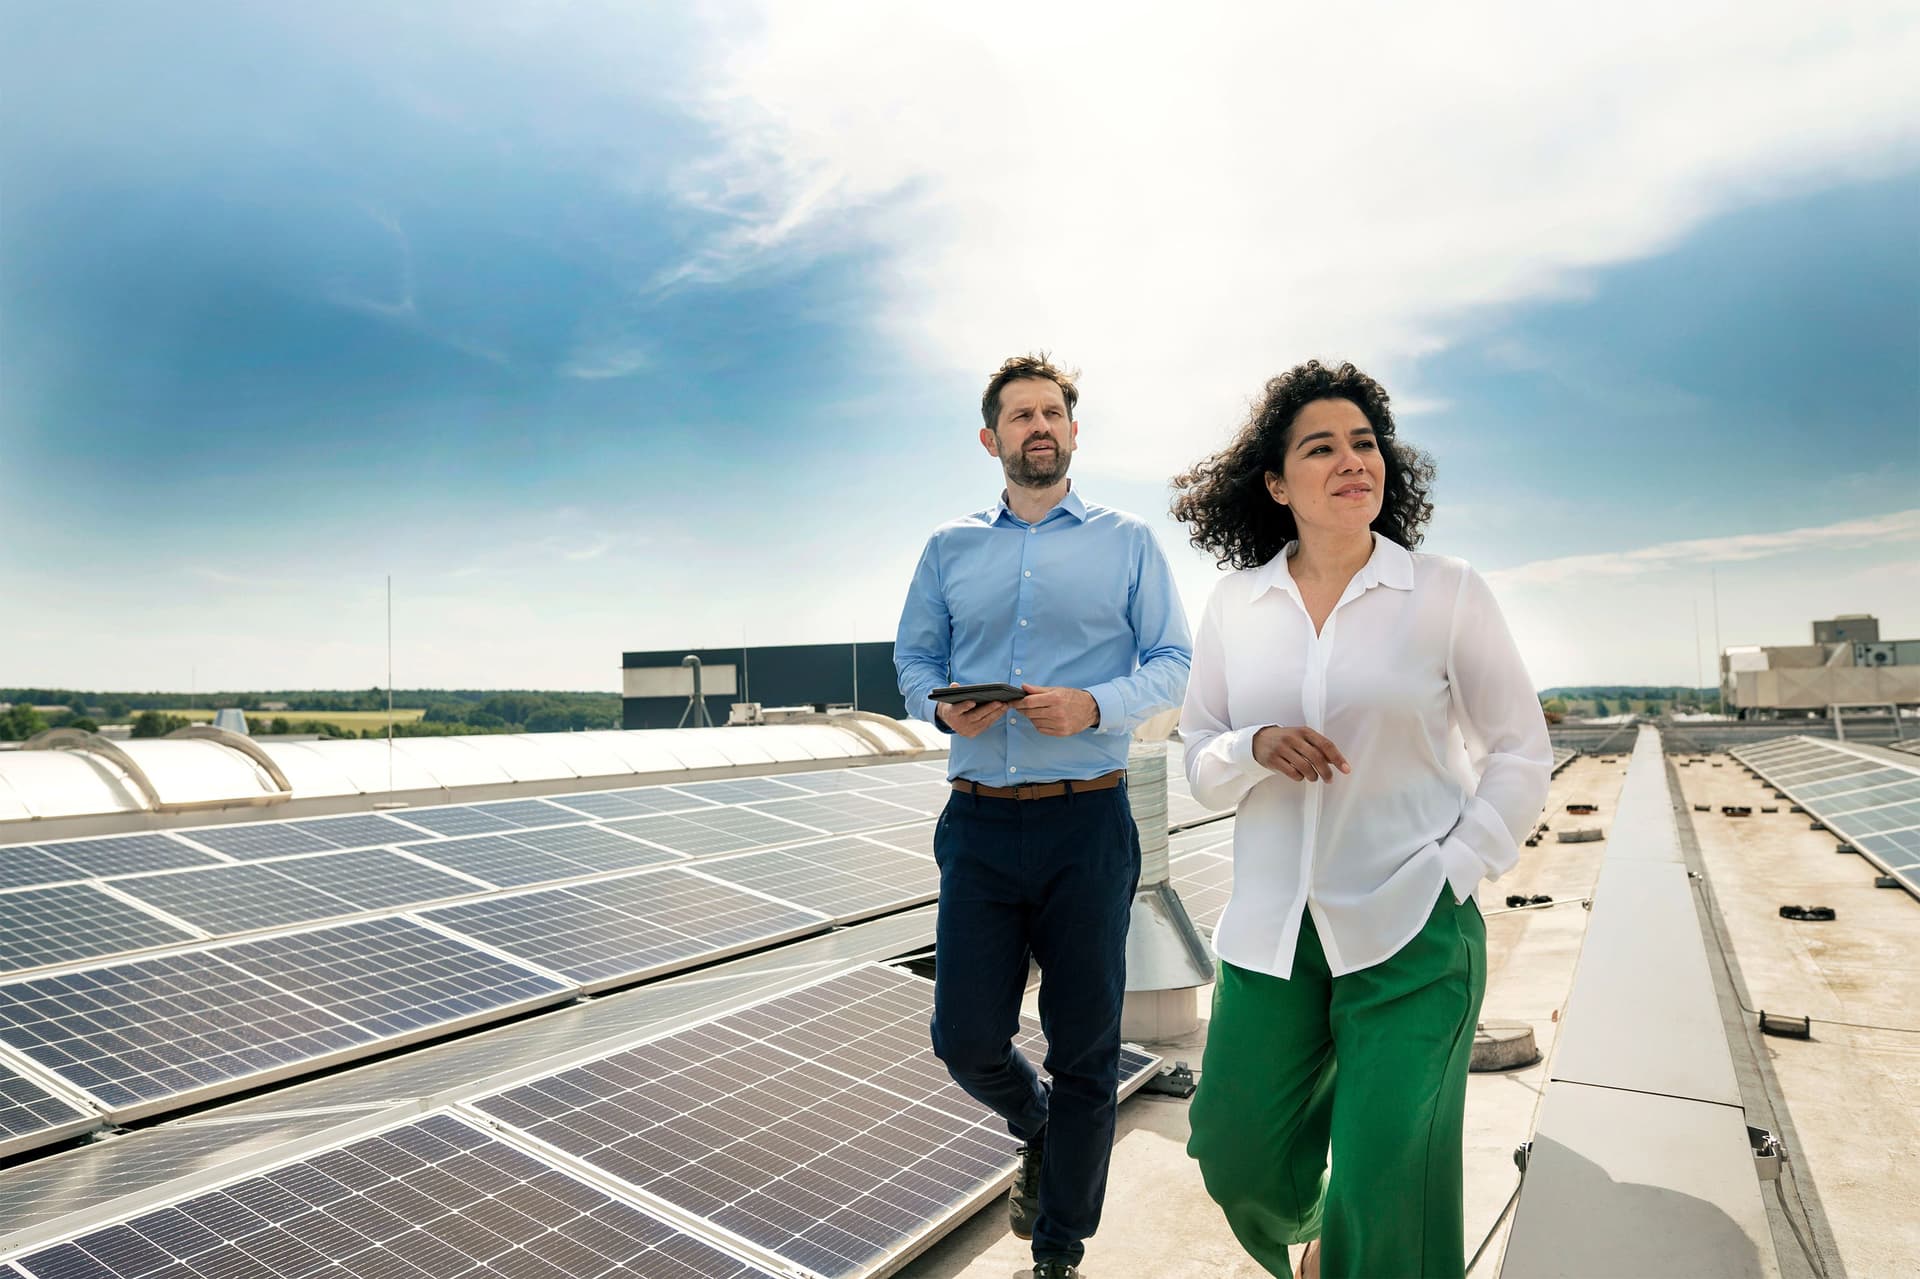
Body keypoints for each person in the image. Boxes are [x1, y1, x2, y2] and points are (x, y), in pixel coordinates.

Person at [1170, 359, 1551, 1279]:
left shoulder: (1447, 590)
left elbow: (1521, 753)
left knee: (1389, 1184)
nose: (1353, 461)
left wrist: (1456, 868)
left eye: (1366, 443)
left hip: (1413, 928)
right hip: (1271, 936)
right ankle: (1314, 1244)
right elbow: (1196, 759)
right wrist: (1254, 744)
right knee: (1235, 1157)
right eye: (1322, 447)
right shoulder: (1236, 604)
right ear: (1274, 483)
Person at [895, 353, 1192, 1279]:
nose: (1038, 425)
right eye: (1020, 415)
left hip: (1087, 825)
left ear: (1073, 431)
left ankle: (1059, 1249)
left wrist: (1094, 706)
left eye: (1053, 412)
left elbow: (1175, 660)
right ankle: (1037, 1125)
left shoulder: (1128, 540)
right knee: (966, 1036)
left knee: (1087, 1047)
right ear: (992, 439)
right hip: (978, 823)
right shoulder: (948, 548)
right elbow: (911, 661)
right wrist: (943, 707)